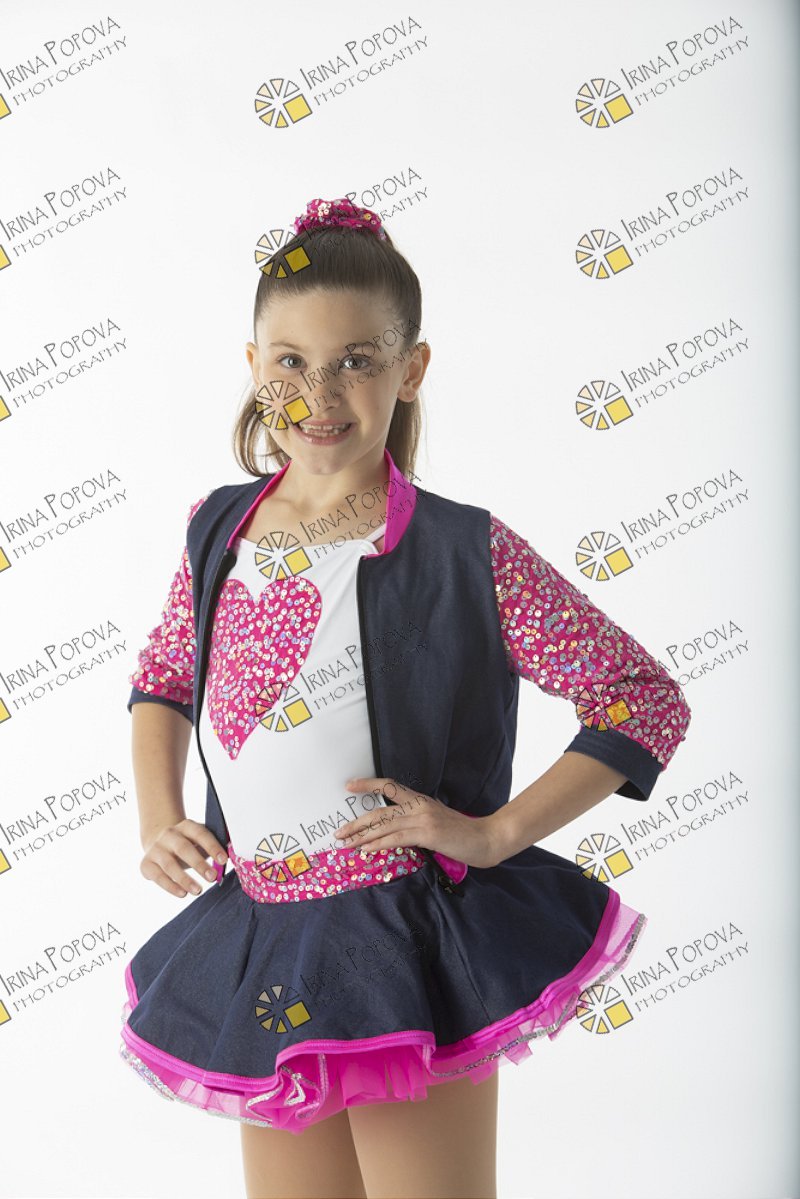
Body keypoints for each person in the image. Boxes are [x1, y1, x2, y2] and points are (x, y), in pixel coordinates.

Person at [118, 196, 692, 1199]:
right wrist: (160, 814)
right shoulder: (218, 528)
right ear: (252, 364)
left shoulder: (462, 551)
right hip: (263, 930)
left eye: (355, 360)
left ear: (410, 368)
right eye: (290, 361)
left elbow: (640, 696)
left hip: (404, 938)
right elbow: (164, 677)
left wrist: (494, 833)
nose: (318, 393)